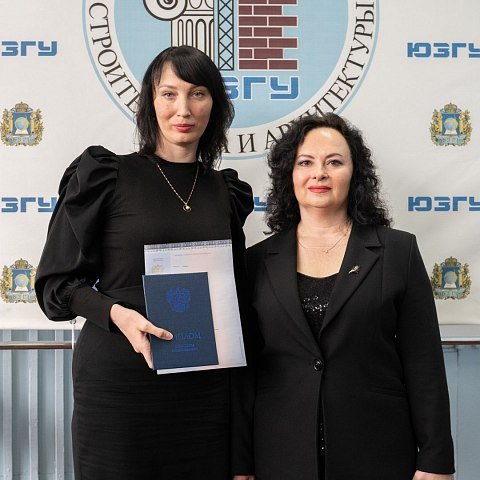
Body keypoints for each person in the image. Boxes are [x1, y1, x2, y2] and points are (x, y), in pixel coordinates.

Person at [35, 46, 254, 480]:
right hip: (119, 388)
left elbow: (236, 302)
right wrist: (118, 314)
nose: (183, 109)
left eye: (198, 94)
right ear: (150, 103)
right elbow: (56, 287)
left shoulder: (226, 192)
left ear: (215, 105)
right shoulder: (105, 175)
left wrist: (242, 445)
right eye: (169, 94)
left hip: (204, 393)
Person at [244, 113, 455, 480]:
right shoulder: (256, 261)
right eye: (305, 162)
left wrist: (436, 459)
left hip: (377, 452)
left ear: (355, 173)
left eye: (334, 162)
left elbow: (425, 365)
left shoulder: (398, 251)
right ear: (288, 174)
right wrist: (240, 463)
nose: (319, 173)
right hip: (280, 455)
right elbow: (245, 374)